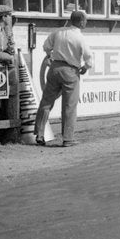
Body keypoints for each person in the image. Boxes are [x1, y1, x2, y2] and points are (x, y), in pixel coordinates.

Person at [35, 10, 93, 147]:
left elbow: (46, 46)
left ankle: (40, 133)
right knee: (69, 105)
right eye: (85, 20)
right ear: (80, 22)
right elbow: (88, 58)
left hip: (54, 68)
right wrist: (85, 68)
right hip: (70, 71)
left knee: (46, 102)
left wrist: (49, 56)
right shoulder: (80, 37)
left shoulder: (58, 32)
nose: (86, 22)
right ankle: (67, 138)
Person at [0, 5, 16, 118]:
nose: (11, 18)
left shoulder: (3, 31)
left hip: (1, 70)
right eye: (9, 16)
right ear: (3, 17)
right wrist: (9, 57)